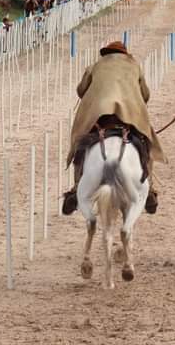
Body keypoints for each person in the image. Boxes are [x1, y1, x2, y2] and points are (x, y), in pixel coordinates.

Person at [62, 41, 163, 215]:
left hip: (100, 113)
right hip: (128, 113)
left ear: (106, 53)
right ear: (125, 54)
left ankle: (77, 187)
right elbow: (146, 95)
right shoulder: (134, 66)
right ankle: (150, 190)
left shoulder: (95, 66)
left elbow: (80, 90)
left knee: (81, 141)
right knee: (147, 140)